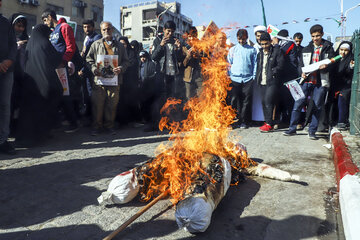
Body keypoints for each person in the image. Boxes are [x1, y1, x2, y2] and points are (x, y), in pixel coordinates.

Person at [284, 24, 335, 140]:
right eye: (313, 36)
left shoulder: (329, 48)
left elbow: (333, 65)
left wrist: (326, 67)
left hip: (320, 83)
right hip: (306, 82)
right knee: (298, 104)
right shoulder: (306, 49)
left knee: (317, 106)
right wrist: (301, 73)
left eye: (317, 36)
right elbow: (300, 65)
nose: (315, 38)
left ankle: (312, 131)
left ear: (322, 34)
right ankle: (292, 129)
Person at [15, 24, 63, 146]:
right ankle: (41, 135)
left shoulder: (29, 46)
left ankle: (25, 137)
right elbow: (57, 59)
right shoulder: (46, 44)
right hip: (45, 84)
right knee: (44, 109)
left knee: (28, 113)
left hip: (29, 85)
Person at [86, 21, 130, 136]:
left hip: (114, 81)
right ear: (101, 31)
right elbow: (88, 60)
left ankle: (109, 126)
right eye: (104, 30)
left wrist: (121, 68)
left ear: (112, 30)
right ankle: (96, 127)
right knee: (98, 105)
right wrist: (94, 68)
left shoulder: (120, 46)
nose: (106, 31)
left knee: (112, 105)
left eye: (109, 29)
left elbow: (126, 61)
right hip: (99, 81)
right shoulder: (95, 44)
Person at [42, 10, 79, 133]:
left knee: (65, 94)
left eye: (45, 20)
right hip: (53, 67)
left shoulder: (65, 27)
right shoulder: (52, 32)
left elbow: (71, 47)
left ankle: (73, 122)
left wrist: (63, 61)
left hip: (62, 67)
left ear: (49, 17)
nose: (45, 23)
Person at [227, 29, 257, 129]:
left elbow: (255, 64)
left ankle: (244, 121)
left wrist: (253, 76)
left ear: (247, 38)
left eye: (243, 39)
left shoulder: (252, 50)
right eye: (239, 39)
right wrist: (229, 75)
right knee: (234, 100)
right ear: (237, 38)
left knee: (246, 101)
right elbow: (229, 64)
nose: (241, 41)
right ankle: (232, 121)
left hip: (248, 79)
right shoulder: (232, 50)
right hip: (235, 79)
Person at [255, 32, 284, 132]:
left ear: (270, 42)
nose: (264, 46)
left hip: (272, 81)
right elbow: (259, 67)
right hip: (262, 81)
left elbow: (281, 65)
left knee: (269, 101)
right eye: (262, 44)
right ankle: (267, 121)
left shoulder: (277, 51)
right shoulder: (260, 53)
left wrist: (273, 71)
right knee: (264, 102)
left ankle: (269, 123)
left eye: (266, 44)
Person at [0, 0, 17, 155]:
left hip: (7, 71)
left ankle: (2, 140)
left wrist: (8, 60)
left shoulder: (6, 23)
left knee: (5, 106)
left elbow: (13, 45)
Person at [151, 20, 182, 99]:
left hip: (172, 73)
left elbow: (180, 59)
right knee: (161, 96)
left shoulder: (175, 41)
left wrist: (178, 48)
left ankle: (170, 111)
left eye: (172, 31)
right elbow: (153, 57)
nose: (170, 33)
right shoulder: (157, 40)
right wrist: (160, 46)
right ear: (164, 29)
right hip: (161, 72)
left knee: (171, 97)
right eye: (168, 31)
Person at [9, 14, 29, 135]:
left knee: (19, 104)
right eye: (18, 26)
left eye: (23, 26)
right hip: (10, 76)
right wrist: (16, 46)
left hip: (23, 76)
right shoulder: (7, 38)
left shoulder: (27, 39)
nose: (20, 29)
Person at [275, 29, 298, 127]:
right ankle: (283, 119)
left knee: (288, 100)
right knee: (281, 100)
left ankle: (288, 121)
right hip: (282, 77)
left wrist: (276, 45)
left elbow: (283, 56)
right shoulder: (284, 45)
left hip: (289, 76)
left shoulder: (290, 45)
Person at [118, 36, 140, 125]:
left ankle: (135, 120)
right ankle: (122, 121)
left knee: (131, 100)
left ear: (127, 44)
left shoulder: (132, 53)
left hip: (130, 82)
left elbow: (132, 65)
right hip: (120, 81)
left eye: (124, 44)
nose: (122, 46)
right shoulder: (117, 53)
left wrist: (122, 68)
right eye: (120, 44)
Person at [138, 50, 162, 131]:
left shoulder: (151, 64)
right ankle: (147, 122)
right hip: (142, 88)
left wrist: (147, 80)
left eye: (144, 57)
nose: (142, 59)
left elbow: (154, 75)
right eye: (141, 57)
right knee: (144, 106)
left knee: (152, 107)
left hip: (151, 89)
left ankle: (153, 124)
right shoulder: (140, 65)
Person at [333, 41, 354, 130]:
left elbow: (349, 72)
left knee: (342, 103)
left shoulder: (350, 59)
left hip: (345, 86)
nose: (343, 52)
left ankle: (342, 122)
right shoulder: (336, 59)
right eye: (341, 50)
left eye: (346, 50)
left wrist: (351, 67)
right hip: (336, 85)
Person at [182, 27, 203, 100]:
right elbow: (183, 64)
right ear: (187, 36)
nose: (192, 39)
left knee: (202, 98)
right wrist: (188, 56)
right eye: (190, 36)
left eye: (193, 36)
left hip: (199, 77)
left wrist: (199, 56)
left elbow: (207, 61)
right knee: (189, 98)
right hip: (188, 77)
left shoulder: (202, 45)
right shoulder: (184, 47)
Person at [252, 25, 267, 123]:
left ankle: (266, 119)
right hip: (256, 77)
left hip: (265, 77)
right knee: (256, 99)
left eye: (261, 35)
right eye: (257, 36)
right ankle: (257, 119)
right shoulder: (254, 48)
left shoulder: (268, 47)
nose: (259, 37)